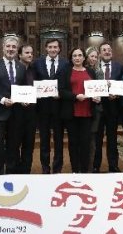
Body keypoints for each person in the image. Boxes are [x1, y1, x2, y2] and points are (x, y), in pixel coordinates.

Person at [0, 37, 26, 175]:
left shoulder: (21, 67)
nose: (11, 49)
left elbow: (24, 88)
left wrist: (25, 99)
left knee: (14, 147)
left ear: (17, 49)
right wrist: (1, 99)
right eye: (8, 46)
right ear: (3, 47)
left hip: (16, 113)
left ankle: (11, 175)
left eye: (14, 47)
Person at [59, 48, 99, 173]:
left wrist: (97, 98)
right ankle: (75, 170)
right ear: (71, 58)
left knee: (86, 144)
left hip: (87, 113)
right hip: (72, 113)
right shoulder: (66, 72)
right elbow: (62, 91)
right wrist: (75, 96)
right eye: (74, 55)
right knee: (73, 143)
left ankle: (85, 170)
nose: (77, 58)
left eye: (80, 55)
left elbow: (95, 89)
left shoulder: (91, 72)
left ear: (84, 58)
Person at [33, 38, 68, 174]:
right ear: (46, 48)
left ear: (59, 49)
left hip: (59, 107)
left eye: (55, 47)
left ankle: (57, 167)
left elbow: (67, 83)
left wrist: (61, 94)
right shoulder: (37, 63)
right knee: (44, 139)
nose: (53, 49)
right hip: (42, 108)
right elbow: (33, 81)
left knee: (59, 139)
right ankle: (45, 167)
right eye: (50, 47)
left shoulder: (66, 63)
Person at [93, 42, 123, 173]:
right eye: (104, 50)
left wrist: (117, 95)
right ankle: (95, 166)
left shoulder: (119, 67)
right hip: (97, 109)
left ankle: (113, 165)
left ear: (112, 52)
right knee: (97, 140)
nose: (107, 52)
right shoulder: (93, 67)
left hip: (113, 108)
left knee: (112, 139)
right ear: (99, 53)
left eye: (109, 50)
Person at [17, 45, 37, 174]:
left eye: (31, 53)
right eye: (27, 53)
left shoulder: (34, 70)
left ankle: (26, 171)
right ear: (20, 55)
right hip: (16, 113)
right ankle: (14, 171)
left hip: (31, 113)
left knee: (29, 145)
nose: (30, 55)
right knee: (14, 144)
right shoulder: (14, 69)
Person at [84, 47, 103, 172]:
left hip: (96, 109)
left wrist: (100, 96)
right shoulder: (83, 69)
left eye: (96, 57)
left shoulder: (99, 72)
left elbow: (100, 91)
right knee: (84, 138)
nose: (94, 59)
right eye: (91, 56)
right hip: (83, 106)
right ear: (87, 57)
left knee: (94, 139)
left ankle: (93, 167)